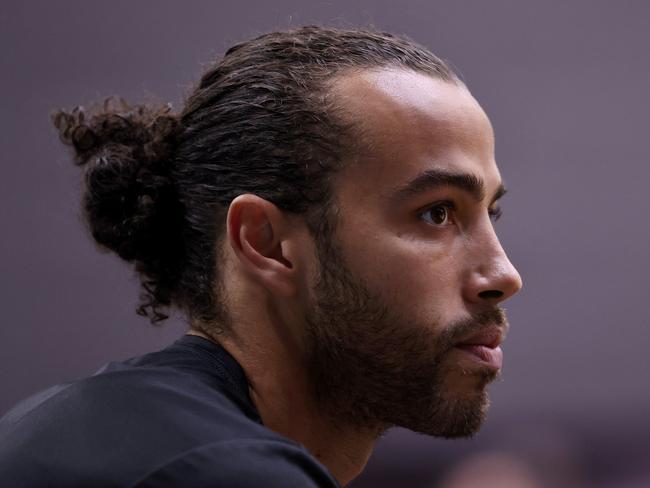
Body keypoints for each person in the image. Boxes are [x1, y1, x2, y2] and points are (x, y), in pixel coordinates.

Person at [0, 25, 522, 487]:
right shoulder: (220, 471)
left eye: (487, 215)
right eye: (437, 213)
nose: (504, 275)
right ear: (266, 243)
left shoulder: (59, 420)